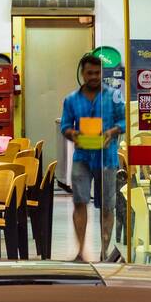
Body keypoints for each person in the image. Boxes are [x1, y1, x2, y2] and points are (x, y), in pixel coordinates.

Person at [61, 53, 126, 262]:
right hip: (82, 157)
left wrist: (111, 132)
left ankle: (104, 252)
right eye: (90, 73)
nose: (94, 77)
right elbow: (65, 126)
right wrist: (73, 134)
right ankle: (81, 251)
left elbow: (124, 121)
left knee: (108, 205)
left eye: (97, 73)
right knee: (79, 202)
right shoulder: (71, 100)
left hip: (107, 158)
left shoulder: (114, 96)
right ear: (82, 74)